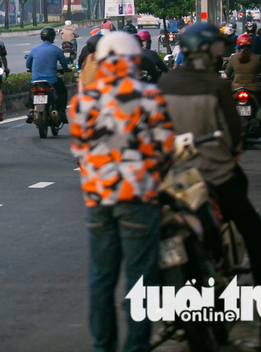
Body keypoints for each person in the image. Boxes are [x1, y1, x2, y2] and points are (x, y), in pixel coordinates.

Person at [159, 23, 261, 311]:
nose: (221, 53)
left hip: (176, 176)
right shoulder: (217, 85)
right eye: (217, 48)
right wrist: (233, 149)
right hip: (214, 173)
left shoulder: (165, 84)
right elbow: (232, 133)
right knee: (252, 227)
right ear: (206, 51)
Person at [70, 31, 175, 352]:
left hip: (98, 199)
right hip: (139, 197)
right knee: (141, 279)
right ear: (133, 61)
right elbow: (167, 147)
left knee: (101, 278)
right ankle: (136, 346)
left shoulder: (82, 102)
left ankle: (104, 345)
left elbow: (79, 151)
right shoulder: (149, 96)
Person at [25, 26, 70, 123]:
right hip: (51, 80)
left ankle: (31, 111)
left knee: (31, 90)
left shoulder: (34, 49)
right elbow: (64, 64)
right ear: (52, 37)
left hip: (36, 80)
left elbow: (28, 65)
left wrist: (31, 69)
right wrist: (66, 69)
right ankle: (62, 111)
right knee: (62, 91)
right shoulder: (56, 50)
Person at [225, 33, 261, 108]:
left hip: (236, 87)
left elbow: (228, 73)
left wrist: (228, 77)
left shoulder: (233, 58)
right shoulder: (257, 57)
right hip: (253, 87)